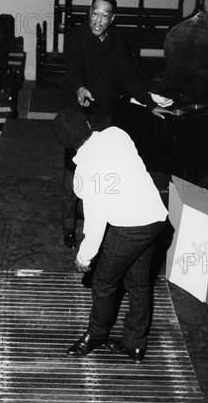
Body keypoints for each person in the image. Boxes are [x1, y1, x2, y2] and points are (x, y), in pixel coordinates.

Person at [53, 109, 168, 362]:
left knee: (103, 282)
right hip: (156, 217)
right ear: (86, 122)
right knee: (138, 283)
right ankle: (135, 344)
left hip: (129, 227)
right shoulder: (117, 134)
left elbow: (96, 219)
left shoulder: (85, 171)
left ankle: (96, 335)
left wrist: (85, 256)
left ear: (65, 144)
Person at [61, 0, 172, 249]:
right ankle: (68, 226)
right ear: (89, 12)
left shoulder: (116, 43)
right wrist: (79, 88)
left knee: (102, 172)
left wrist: (150, 104)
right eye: (95, 13)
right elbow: (73, 67)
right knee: (72, 174)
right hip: (77, 118)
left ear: (112, 18)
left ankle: (97, 222)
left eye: (104, 15)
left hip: (103, 117)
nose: (98, 20)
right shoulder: (75, 38)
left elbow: (129, 77)